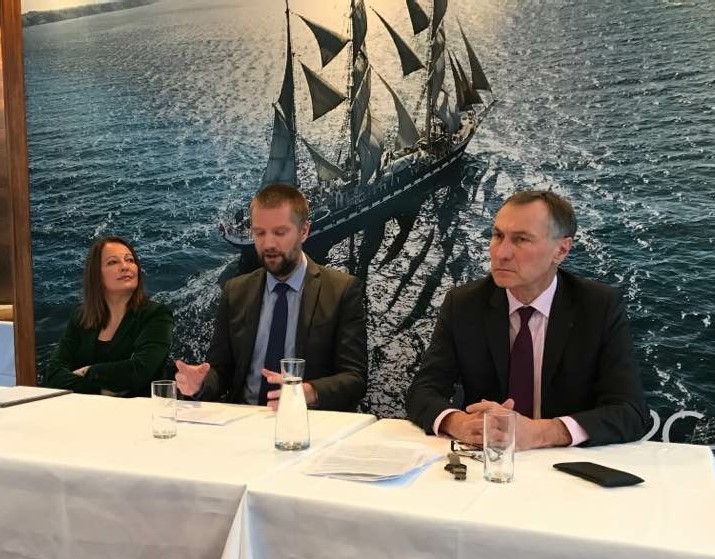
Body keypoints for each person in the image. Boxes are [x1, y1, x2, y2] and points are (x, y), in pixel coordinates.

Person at [406, 190, 650, 449]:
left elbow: (631, 412)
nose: (501, 253)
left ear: (561, 250)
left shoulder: (598, 306)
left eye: (521, 239)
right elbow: (423, 391)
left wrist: (541, 432)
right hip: (488, 459)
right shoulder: (465, 304)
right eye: (498, 236)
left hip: (566, 461)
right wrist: (458, 423)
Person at [175, 184, 367, 411]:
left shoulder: (342, 291)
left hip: (309, 421)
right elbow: (221, 371)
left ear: (304, 231)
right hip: (245, 419)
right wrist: (200, 384)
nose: (268, 244)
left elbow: (355, 379)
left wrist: (308, 392)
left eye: (280, 233)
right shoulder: (235, 291)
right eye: (259, 233)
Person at [46, 236, 173, 396]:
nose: (125, 267)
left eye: (130, 260)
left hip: (140, 408)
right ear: (96, 274)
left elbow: (140, 372)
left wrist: (90, 371)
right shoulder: (81, 317)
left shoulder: (156, 315)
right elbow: (53, 375)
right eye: (113, 262)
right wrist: (98, 390)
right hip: (86, 408)